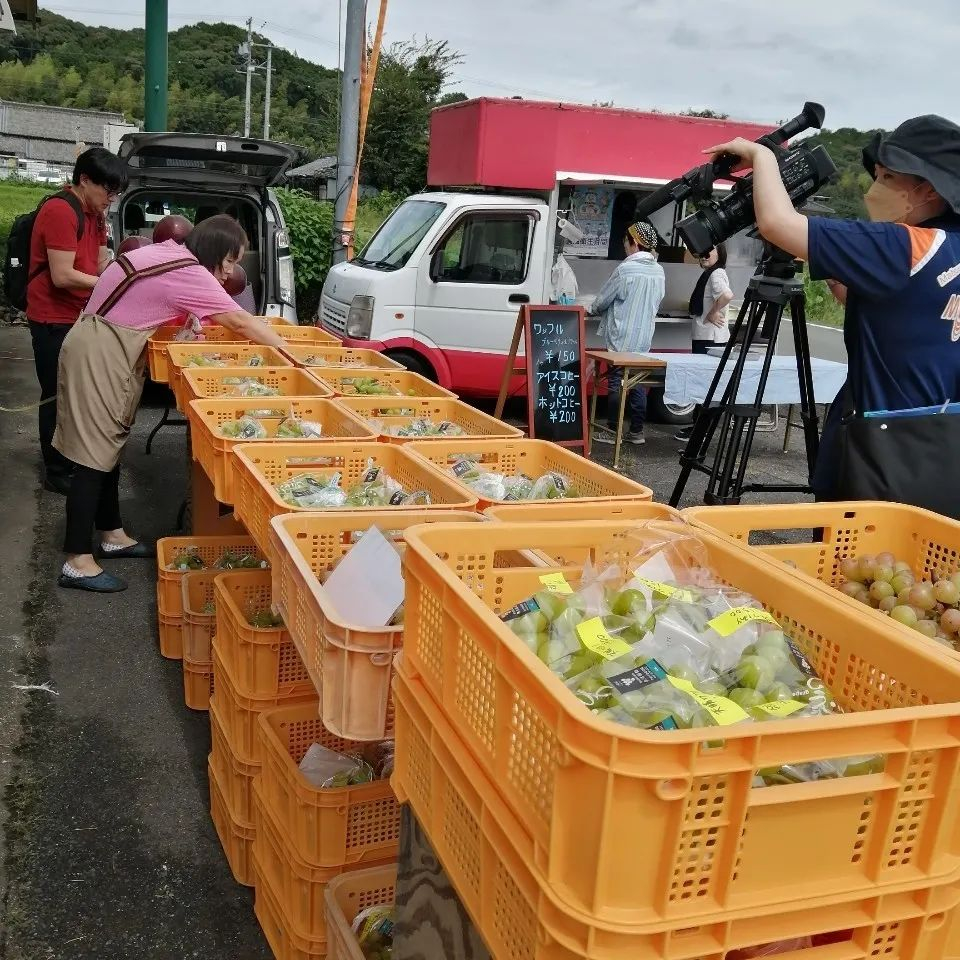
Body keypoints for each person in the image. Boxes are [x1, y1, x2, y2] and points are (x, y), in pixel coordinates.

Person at [703, 115, 960, 507]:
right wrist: (825, 256)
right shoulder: (948, 248)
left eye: (888, 178)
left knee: (851, 564)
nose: (877, 189)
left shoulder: (907, 246)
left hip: (877, 453)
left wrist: (762, 156)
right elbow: (876, 304)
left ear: (927, 189)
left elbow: (776, 222)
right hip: (937, 451)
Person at [52, 214, 288, 594]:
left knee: (108, 444)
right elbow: (242, 322)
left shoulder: (168, 253)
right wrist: (292, 356)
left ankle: (112, 535)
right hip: (101, 351)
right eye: (230, 262)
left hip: (105, 344)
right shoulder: (189, 271)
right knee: (91, 457)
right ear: (215, 252)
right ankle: (76, 560)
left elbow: (158, 303)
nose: (229, 274)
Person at [26, 147, 127, 495]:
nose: (110, 199)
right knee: (55, 393)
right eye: (107, 190)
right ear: (84, 180)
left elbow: (100, 264)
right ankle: (56, 470)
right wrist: (105, 284)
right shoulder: (60, 210)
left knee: (75, 392)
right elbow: (62, 275)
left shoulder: (96, 215)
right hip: (51, 317)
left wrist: (122, 273)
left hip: (79, 315)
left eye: (116, 193)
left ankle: (70, 460)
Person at [588, 220, 665, 445]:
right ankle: (637, 432)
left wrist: (590, 309)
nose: (624, 245)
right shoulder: (659, 271)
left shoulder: (626, 269)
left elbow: (603, 299)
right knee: (637, 382)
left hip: (621, 336)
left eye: (625, 241)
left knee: (616, 382)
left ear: (633, 242)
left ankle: (613, 431)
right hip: (643, 339)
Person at [675, 244, 735, 441]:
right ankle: (698, 428)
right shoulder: (713, 273)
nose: (703, 256)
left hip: (711, 338)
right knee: (704, 384)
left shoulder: (716, 274)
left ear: (720, 253)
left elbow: (727, 295)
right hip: (707, 336)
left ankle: (700, 431)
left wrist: (712, 312)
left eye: (708, 251)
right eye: (702, 253)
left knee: (705, 384)